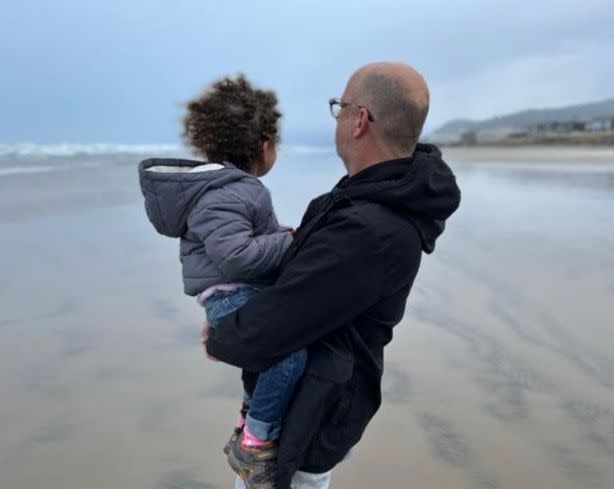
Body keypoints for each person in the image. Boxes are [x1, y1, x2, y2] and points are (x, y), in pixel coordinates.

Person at [202, 62, 462, 489]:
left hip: (311, 420)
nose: (336, 116)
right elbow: (295, 290)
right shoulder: (352, 199)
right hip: (308, 399)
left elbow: (276, 325)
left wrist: (219, 335)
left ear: (359, 120)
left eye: (340, 106)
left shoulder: (370, 230)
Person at [138, 75, 307, 487]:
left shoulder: (228, 190)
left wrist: (284, 238)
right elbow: (237, 257)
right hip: (232, 294)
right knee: (288, 353)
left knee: (270, 356)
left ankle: (250, 421)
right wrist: (290, 244)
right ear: (264, 145)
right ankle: (254, 443)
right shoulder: (232, 192)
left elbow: (246, 242)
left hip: (234, 292)